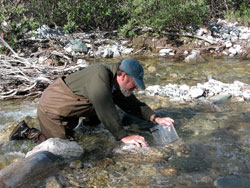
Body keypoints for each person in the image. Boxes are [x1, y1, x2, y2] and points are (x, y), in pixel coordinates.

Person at [10, 59, 174, 147]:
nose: (137, 87)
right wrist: (123, 136)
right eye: (135, 83)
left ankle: (87, 127)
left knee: (104, 110)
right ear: (123, 76)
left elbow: (132, 104)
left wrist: (155, 118)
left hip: (71, 109)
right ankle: (26, 132)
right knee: (62, 149)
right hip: (52, 111)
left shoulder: (115, 82)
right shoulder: (100, 74)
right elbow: (104, 107)